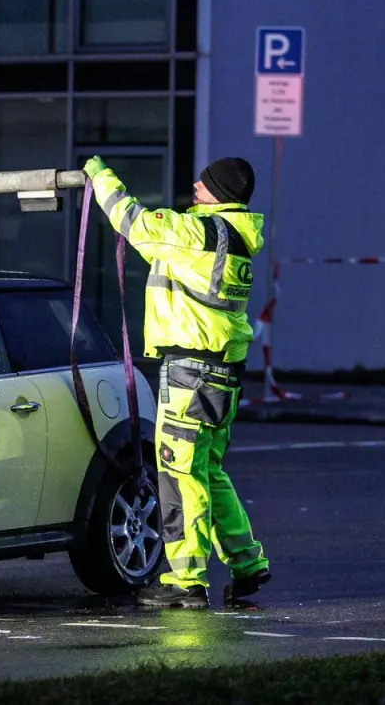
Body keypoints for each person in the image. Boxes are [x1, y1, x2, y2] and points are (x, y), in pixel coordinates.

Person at [82, 154, 271, 609]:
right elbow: (159, 247)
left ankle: (186, 580)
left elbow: (134, 221)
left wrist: (96, 172)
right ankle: (247, 562)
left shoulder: (197, 231)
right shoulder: (229, 238)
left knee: (180, 472)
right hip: (224, 374)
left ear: (219, 193)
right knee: (208, 471)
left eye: (204, 184)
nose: (195, 186)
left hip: (189, 372)